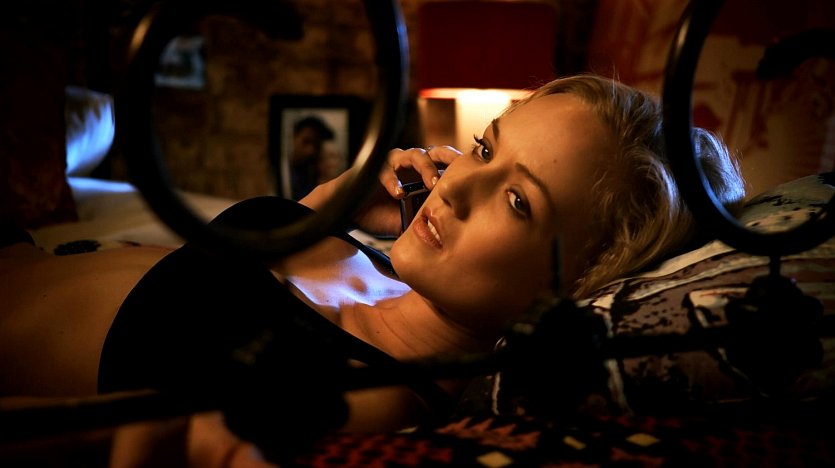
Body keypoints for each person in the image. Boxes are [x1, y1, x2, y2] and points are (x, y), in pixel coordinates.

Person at [0, 74, 745, 466]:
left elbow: (106, 440)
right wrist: (329, 205)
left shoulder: (366, 401)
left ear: (578, 286)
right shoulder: (371, 261)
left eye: (517, 202)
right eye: (485, 149)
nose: (457, 184)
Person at [287, 115, 336, 200]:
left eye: (316, 145)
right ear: (294, 138)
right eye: (306, 141)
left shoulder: (315, 173)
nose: (310, 150)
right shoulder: (280, 170)